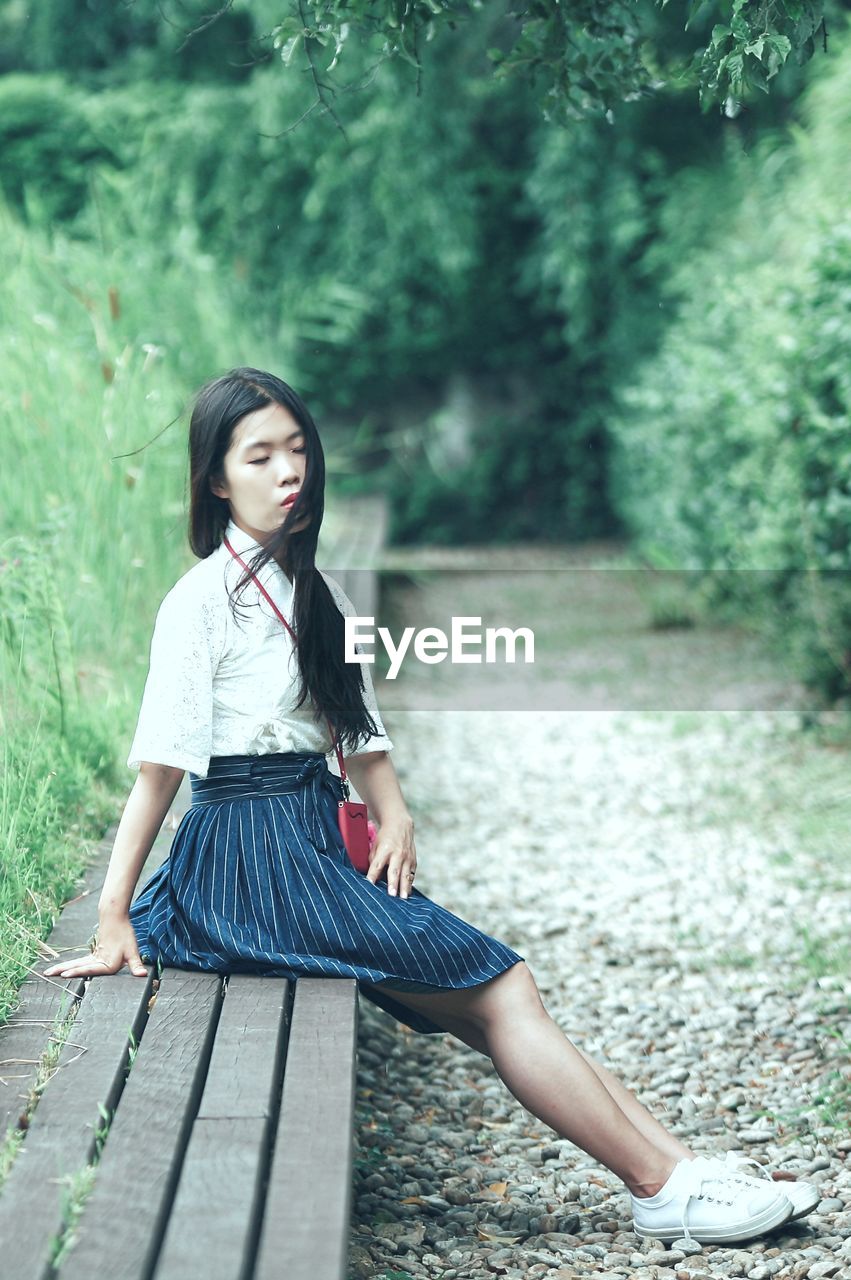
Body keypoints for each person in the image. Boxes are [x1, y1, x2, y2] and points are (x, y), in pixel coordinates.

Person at [44, 367, 818, 1247]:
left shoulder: (311, 589)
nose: (288, 470)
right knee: (499, 985)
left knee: (490, 998)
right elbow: (160, 773)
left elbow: (356, 730)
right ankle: (657, 1185)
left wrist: (395, 810)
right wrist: (113, 913)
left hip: (302, 841)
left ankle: (681, 1169)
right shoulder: (199, 606)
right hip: (251, 860)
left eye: (298, 448)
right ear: (216, 481)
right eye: (260, 456)